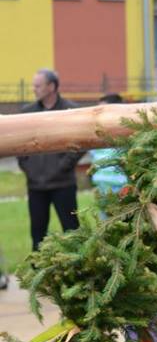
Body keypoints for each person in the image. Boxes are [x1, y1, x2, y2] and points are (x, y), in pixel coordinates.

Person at [17, 69, 84, 251]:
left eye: (38, 85)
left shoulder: (71, 111)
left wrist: (64, 165)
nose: (34, 89)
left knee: (72, 231)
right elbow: (19, 143)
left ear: (52, 86)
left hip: (63, 184)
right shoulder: (27, 113)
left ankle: (78, 267)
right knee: (37, 235)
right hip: (36, 186)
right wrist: (27, 167)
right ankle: (37, 268)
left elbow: (81, 141)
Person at [90, 94, 128, 195]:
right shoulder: (97, 132)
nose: (99, 114)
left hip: (120, 187)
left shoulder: (125, 131)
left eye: (102, 110)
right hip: (101, 186)